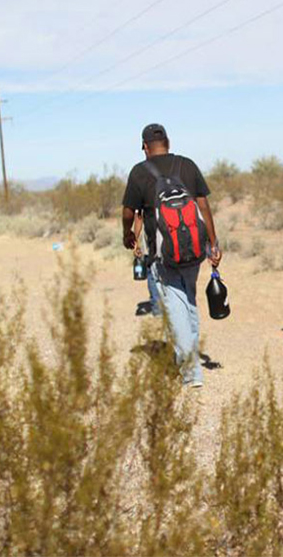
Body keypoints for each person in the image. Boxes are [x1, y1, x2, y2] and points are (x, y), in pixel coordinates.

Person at [122, 123, 221, 387]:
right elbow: (203, 204)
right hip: (194, 249)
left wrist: (127, 233)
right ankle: (189, 358)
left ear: (145, 146)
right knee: (189, 299)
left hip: (162, 255)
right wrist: (213, 242)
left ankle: (191, 373)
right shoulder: (187, 165)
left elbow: (128, 211)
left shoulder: (139, 172)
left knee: (176, 306)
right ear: (168, 141)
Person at [133, 210, 161, 317]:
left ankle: (158, 311)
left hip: (151, 244)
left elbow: (139, 217)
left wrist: (135, 241)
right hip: (171, 242)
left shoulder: (142, 193)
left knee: (152, 275)